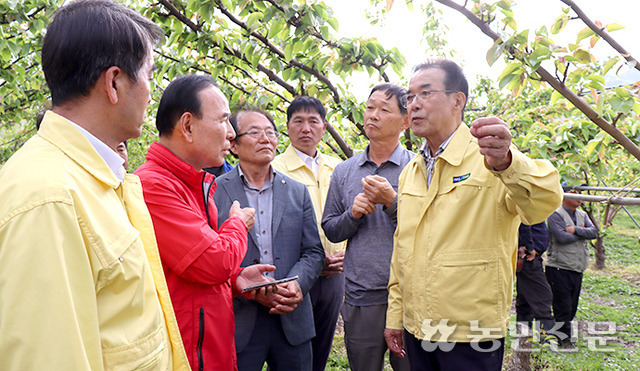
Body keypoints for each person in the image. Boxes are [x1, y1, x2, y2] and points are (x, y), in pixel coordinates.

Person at [0, 1, 190, 369]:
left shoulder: (95, 177)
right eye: (149, 74)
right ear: (115, 82)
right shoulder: (48, 199)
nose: (152, 92)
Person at [384, 59, 563, 370]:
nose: (414, 105)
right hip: (417, 327)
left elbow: (543, 202)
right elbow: (403, 250)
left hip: (471, 332)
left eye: (425, 93)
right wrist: (395, 317)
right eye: (409, 97)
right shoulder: (411, 170)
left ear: (458, 100)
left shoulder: (491, 158)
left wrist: (508, 162)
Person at [135, 75, 275, 371]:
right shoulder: (154, 185)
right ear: (187, 126)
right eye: (224, 120)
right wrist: (237, 225)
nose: (231, 135)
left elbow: (194, 267)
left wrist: (235, 280)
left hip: (209, 347)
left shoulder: (194, 182)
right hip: (189, 354)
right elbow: (212, 261)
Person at [213, 108, 325, 370]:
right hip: (239, 318)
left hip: (291, 317)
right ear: (234, 145)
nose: (266, 138)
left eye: (270, 132)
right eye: (254, 132)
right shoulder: (215, 190)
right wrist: (247, 287)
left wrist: (296, 286)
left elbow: (313, 252)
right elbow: (212, 252)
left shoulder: (297, 191)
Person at [322, 83, 413, 371]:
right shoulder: (345, 171)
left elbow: (429, 230)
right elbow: (331, 229)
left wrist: (392, 202)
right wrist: (353, 215)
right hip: (362, 296)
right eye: (370, 107)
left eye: (384, 109)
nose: (373, 114)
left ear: (405, 121)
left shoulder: (417, 168)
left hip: (410, 297)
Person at [271, 96, 346, 371]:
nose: (306, 128)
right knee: (293, 348)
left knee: (323, 345)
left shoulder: (337, 167)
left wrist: (343, 255)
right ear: (287, 127)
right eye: (298, 121)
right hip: (294, 273)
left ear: (323, 127)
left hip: (334, 273)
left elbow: (351, 213)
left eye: (313, 121)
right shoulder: (275, 168)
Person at [545, 184, 598, 346]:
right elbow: (561, 237)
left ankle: (557, 332)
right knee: (563, 305)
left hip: (577, 267)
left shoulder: (582, 214)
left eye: (582, 192)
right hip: (559, 267)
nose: (580, 196)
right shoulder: (555, 214)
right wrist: (582, 232)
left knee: (572, 306)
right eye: (576, 192)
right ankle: (564, 339)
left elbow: (594, 232)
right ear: (565, 195)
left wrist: (573, 230)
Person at [516, 222, 557, 345]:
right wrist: (529, 246)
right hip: (529, 257)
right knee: (543, 297)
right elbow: (525, 222)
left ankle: (523, 339)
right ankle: (547, 341)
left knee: (525, 299)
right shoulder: (530, 205)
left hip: (530, 256)